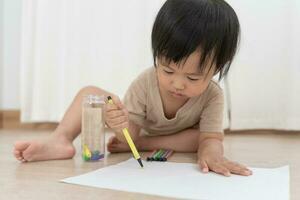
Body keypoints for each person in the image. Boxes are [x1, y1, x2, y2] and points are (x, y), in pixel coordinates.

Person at [14, 0, 252, 177]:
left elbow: (210, 137)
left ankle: (149, 144)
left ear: (216, 69)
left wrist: (210, 152)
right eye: (168, 70)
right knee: (90, 93)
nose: (178, 84)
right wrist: (119, 124)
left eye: (193, 77)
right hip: (138, 133)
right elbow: (130, 136)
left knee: (198, 138)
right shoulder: (145, 83)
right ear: (157, 55)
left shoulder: (213, 96)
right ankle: (60, 139)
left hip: (172, 139)